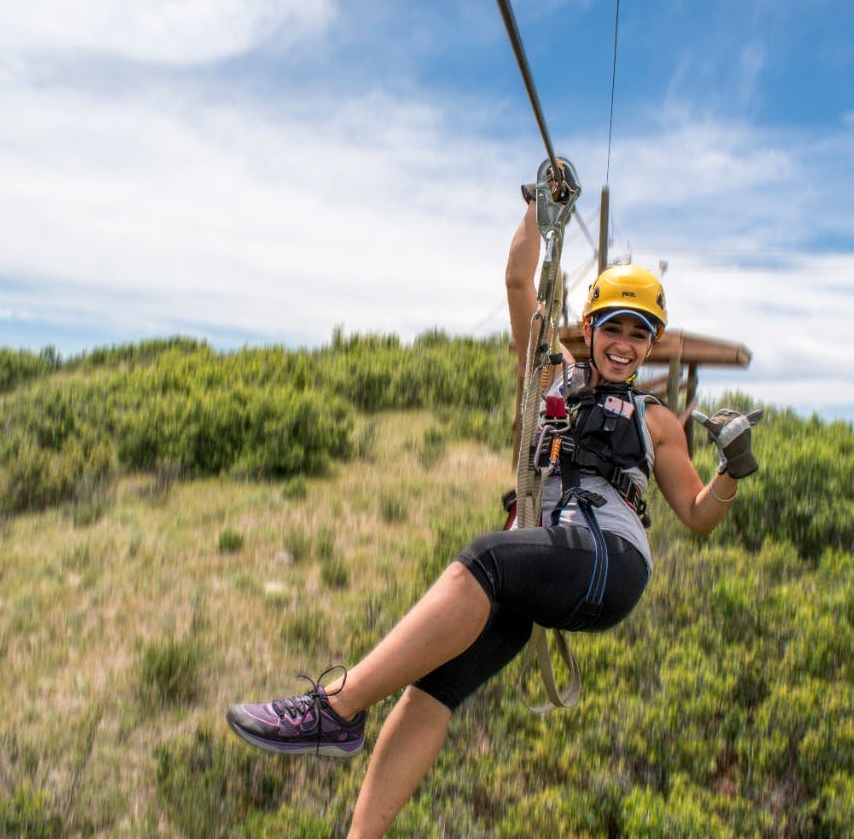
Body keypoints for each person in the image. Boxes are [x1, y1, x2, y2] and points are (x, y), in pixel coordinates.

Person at [227, 195, 762, 837]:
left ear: (650, 345)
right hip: (547, 570)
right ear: (588, 329)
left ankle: (334, 710)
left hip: (608, 563)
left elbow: (699, 516)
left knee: (485, 558)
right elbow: (518, 280)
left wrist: (733, 468)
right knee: (433, 686)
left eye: (639, 334)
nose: (624, 345)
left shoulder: (657, 420)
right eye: (613, 328)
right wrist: (542, 207)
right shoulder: (551, 377)